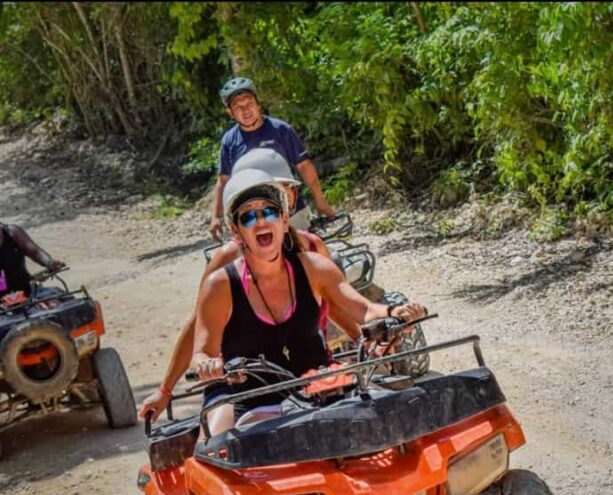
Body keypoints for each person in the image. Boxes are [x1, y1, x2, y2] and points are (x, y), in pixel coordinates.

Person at [193, 170, 424, 435]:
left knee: (397, 424)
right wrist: (206, 365)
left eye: (269, 212)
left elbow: (365, 309)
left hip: (321, 389)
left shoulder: (315, 267)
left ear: (282, 219)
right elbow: (202, 351)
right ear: (236, 231)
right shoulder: (220, 285)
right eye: (248, 217)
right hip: (255, 402)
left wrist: (396, 312)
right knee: (217, 450)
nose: (260, 221)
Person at [138, 156, 360, 421]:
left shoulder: (312, 248)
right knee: (224, 434)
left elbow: (334, 302)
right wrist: (167, 388)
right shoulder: (227, 262)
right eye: (252, 207)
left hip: (308, 366)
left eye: (279, 196)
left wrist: (364, 341)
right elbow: (200, 323)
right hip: (240, 376)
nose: (267, 211)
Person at [209, 76, 336, 241]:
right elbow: (223, 180)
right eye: (238, 107)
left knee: (304, 254)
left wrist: (321, 201)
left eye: (249, 104)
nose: (245, 110)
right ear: (230, 112)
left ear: (258, 104)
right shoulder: (229, 141)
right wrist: (216, 216)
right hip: (252, 216)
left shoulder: (281, 130)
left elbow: (304, 166)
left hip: (290, 209)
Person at [0, 222, 65, 303]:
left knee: (59, 301)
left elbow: (35, 251)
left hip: (26, 290)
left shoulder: (11, 232)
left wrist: (49, 262)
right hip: (2, 300)